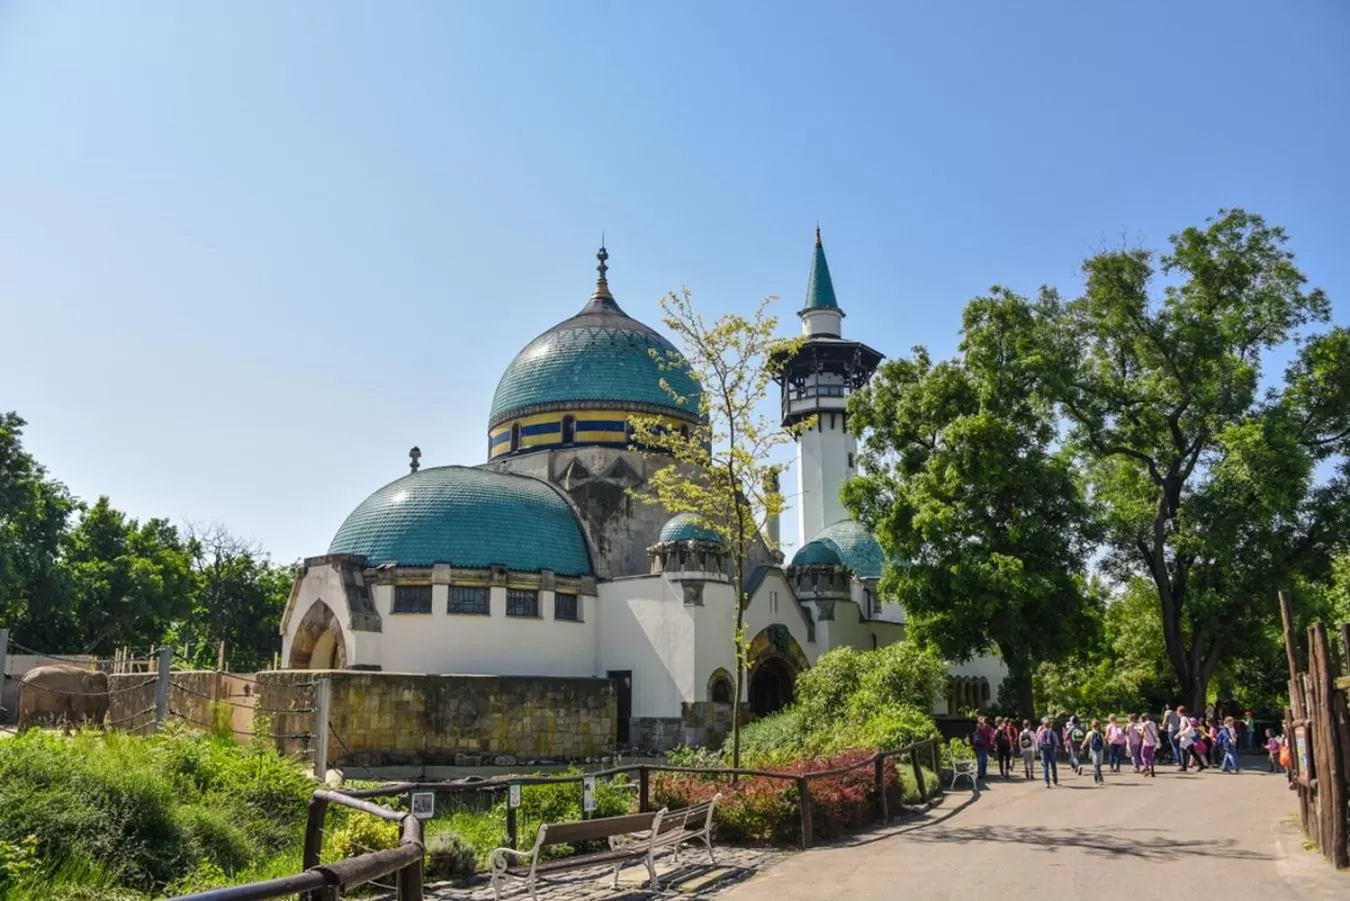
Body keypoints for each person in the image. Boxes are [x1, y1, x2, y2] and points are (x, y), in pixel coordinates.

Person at [1036, 716, 1060, 787]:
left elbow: (1038, 742)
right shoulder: (1052, 732)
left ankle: (1047, 782)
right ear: (1050, 725)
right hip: (1052, 750)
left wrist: (1039, 750)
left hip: (1044, 751)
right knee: (1053, 766)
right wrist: (1055, 748)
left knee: (1045, 766)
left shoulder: (1041, 733)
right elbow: (1057, 742)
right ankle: (1055, 780)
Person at [971, 716, 995, 781]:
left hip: (980, 746)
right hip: (985, 746)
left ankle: (980, 774)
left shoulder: (982, 727)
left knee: (980, 760)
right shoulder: (989, 727)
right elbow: (992, 736)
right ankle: (983, 773)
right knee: (983, 760)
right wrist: (991, 744)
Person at [1082, 719, 1106, 784]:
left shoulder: (1089, 733)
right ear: (1098, 726)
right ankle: (1097, 777)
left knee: (1095, 765)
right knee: (1098, 765)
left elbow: (1086, 741)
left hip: (1093, 750)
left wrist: (1082, 746)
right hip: (1100, 750)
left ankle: (1098, 777)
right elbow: (1104, 743)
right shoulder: (1100, 734)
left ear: (1091, 726)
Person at [1139, 712, 1159, 777]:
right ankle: (1152, 770)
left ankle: (1147, 768)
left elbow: (1142, 733)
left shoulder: (1144, 725)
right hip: (1152, 742)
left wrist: (1138, 731)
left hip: (1146, 742)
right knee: (1151, 757)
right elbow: (1156, 732)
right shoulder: (1153, 723)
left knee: (1143, 755)